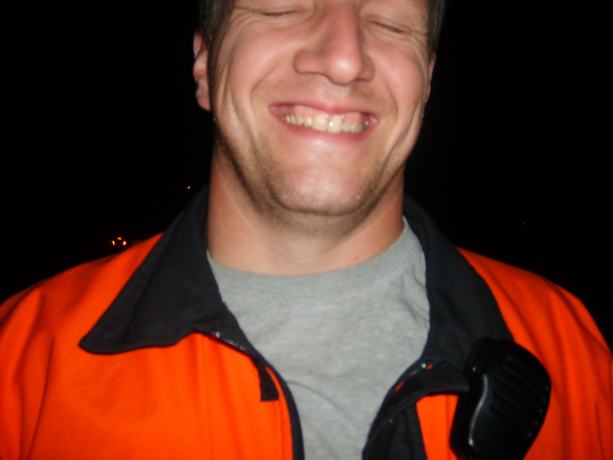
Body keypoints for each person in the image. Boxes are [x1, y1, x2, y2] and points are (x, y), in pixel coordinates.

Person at [0, 0, 611, 459]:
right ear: (205, 64)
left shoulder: (570, 351)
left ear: (427, 80)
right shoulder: (22, 364)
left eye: (391, 20)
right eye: (281, 6)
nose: (344, 59)